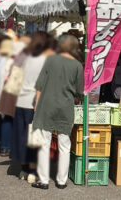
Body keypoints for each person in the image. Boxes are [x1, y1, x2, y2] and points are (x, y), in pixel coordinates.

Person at [32, 34, 83, 190]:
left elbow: (40, 84)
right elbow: (80, 92)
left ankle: (44, 180)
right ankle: (61, 181)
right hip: (65, 107)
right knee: (64, 145)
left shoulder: (50, 60)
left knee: (44, 143)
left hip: (47, 105)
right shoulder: (77, 65)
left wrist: (36, 104)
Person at [10, 32, 56, 183]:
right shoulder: (44, 60)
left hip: (19, 101)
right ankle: (32, 170)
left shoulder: (22, 57)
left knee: (21, 135)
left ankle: (23, 168)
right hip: (34, 103)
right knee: (33, 138)